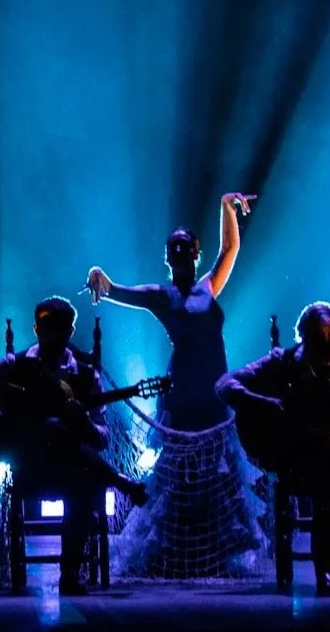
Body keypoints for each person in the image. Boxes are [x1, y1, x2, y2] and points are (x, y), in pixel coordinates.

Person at [87, 193, 266, 576]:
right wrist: (100, 276)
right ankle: (174, 553)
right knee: (181, 472)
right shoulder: (161, 296)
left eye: (187, 247)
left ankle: (217, 553)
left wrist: (224, 206)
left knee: (221, 471)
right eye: (175, 248)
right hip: (183, 391)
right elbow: (116, 290)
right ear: (168, 256)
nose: (181, 252)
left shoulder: (209, 286)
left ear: (196, 254)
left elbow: (231, 247)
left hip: (215, 391)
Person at [0, 296, 150, 596]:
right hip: (29, 465)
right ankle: (119, 481)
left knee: (76, 466)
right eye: (47, 327)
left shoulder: (85, 375)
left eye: (60, 328)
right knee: (59, 439)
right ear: (35, 329)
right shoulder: (14, 365)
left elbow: (102, 437)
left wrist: (82, 422)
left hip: (73, 470)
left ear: (70, 331)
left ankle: (69, 573)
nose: (54, 334)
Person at [218, 302, 330, 594]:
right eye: (322, 342)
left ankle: (327, 573)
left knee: (326, 468)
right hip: (295, 463)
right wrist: (266, 404)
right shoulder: (282, 363)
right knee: (322, 456)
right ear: (304, 339)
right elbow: (225, 384)